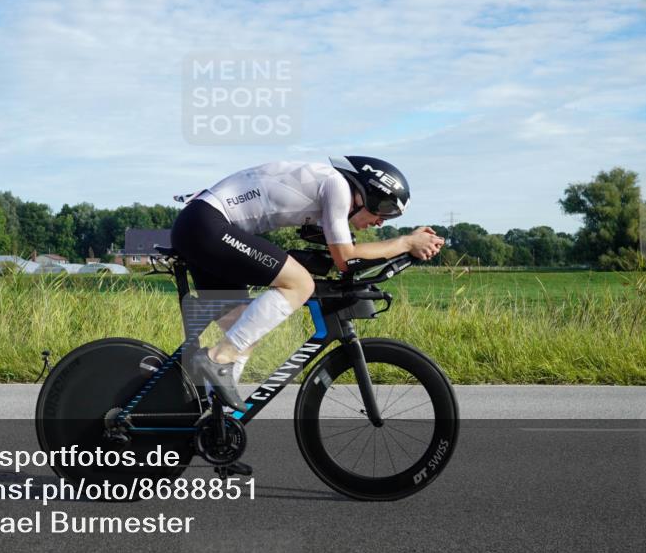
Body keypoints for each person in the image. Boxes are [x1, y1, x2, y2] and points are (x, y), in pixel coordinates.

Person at [170, 156, 444, 412]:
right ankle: (217, 358)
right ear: (364, 193)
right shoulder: (337, 186)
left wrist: (407, 247)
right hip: (206, 224)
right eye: (384, 208)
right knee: (299, 285)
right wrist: (406, 242)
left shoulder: (326, 194)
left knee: (246, 330)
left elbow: (343, 255)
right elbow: (345, 258)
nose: (382, 220)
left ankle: (212, 421)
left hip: (202, 226)